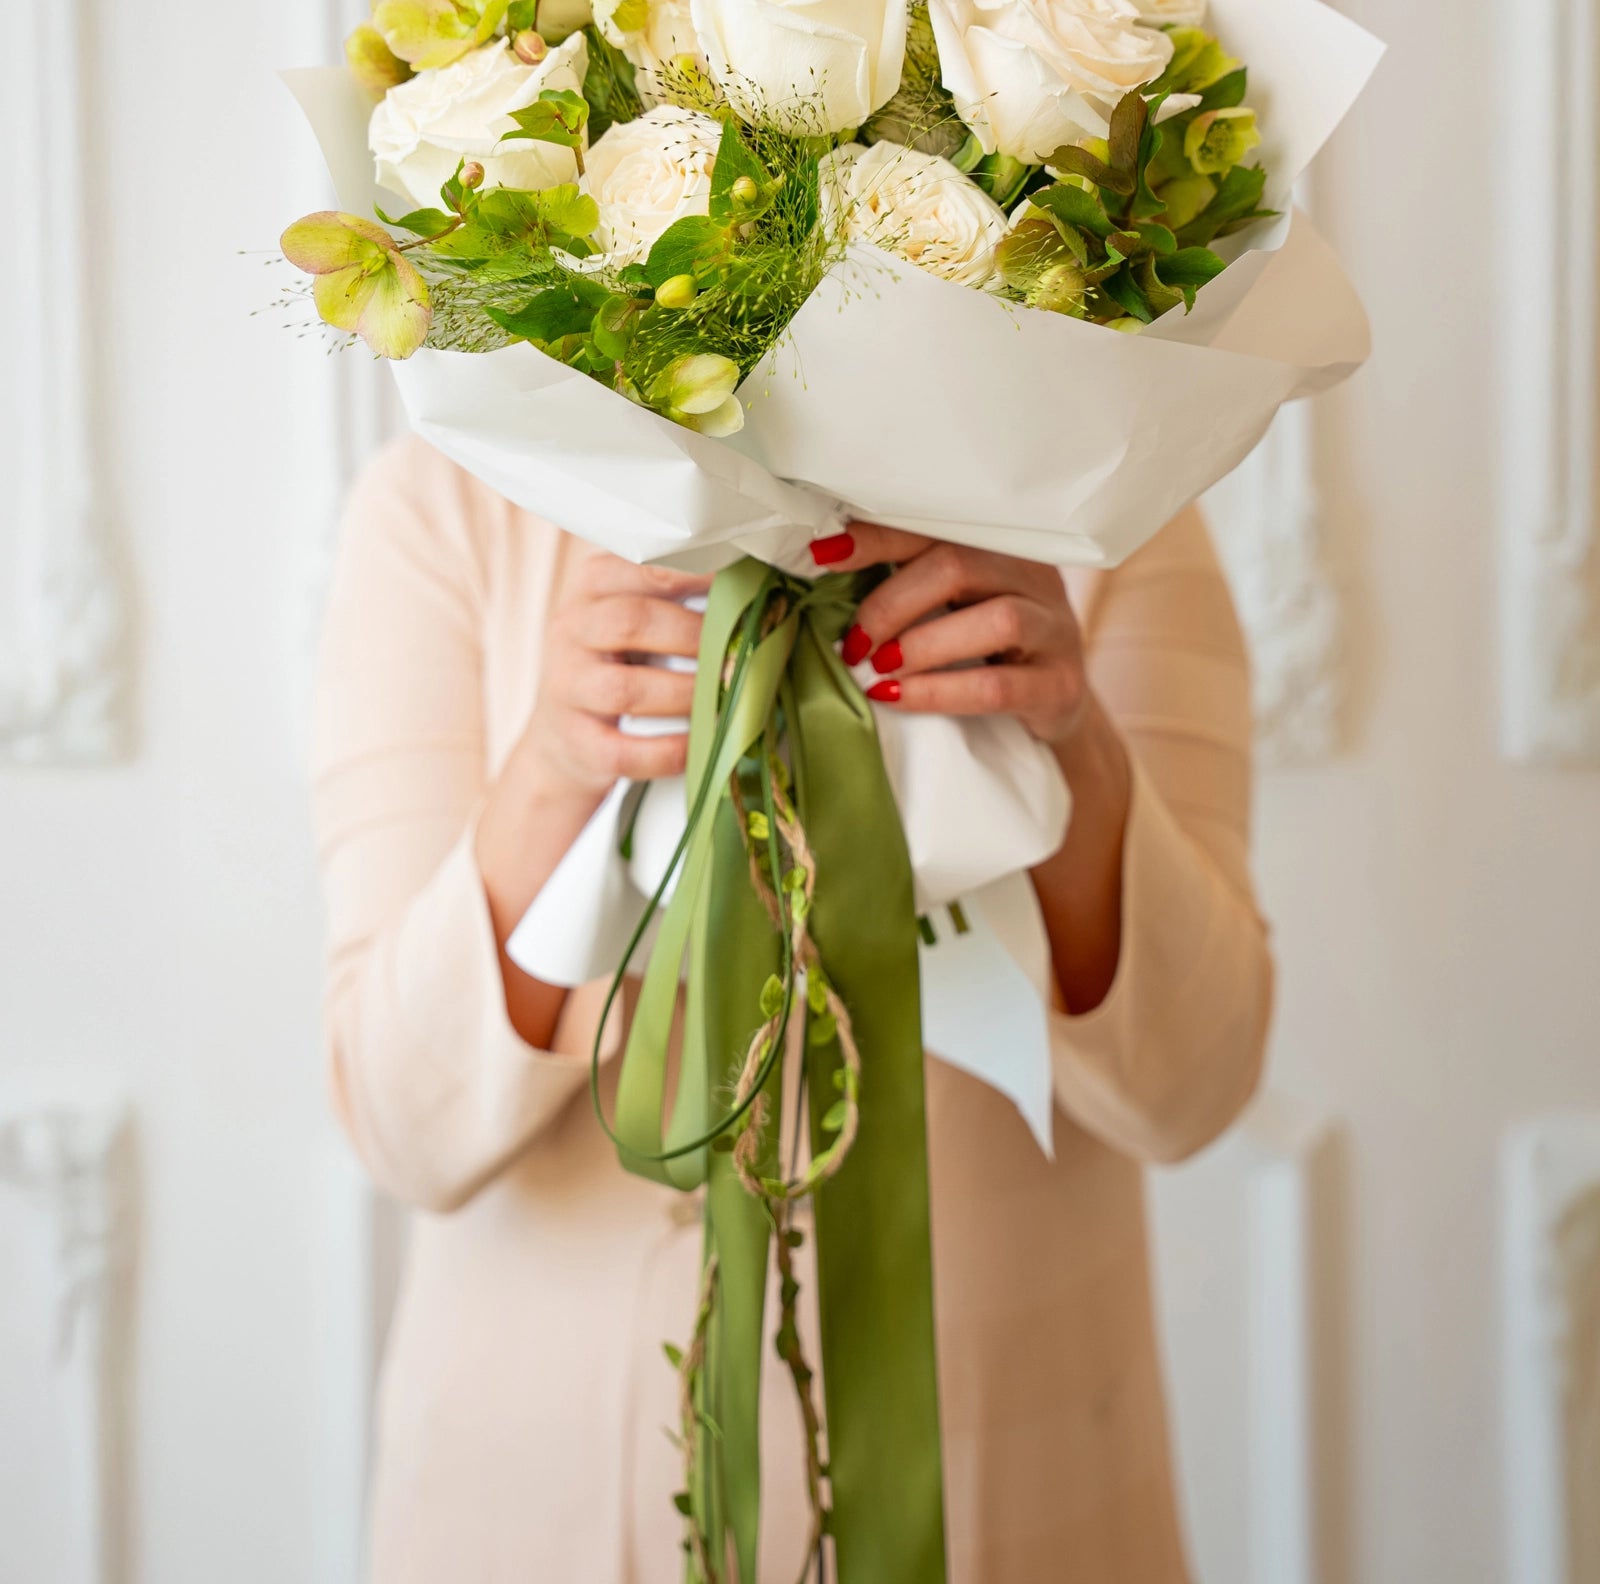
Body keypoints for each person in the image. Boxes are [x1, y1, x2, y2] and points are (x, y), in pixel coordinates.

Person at [312, 426, 1272, 1583]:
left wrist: (1072, 742)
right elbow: (398, 1121)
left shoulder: (1108, 485)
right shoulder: (449, 498)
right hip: (534, 1511)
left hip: (1021, 1492)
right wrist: (557, 768)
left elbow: (1195, 1082)